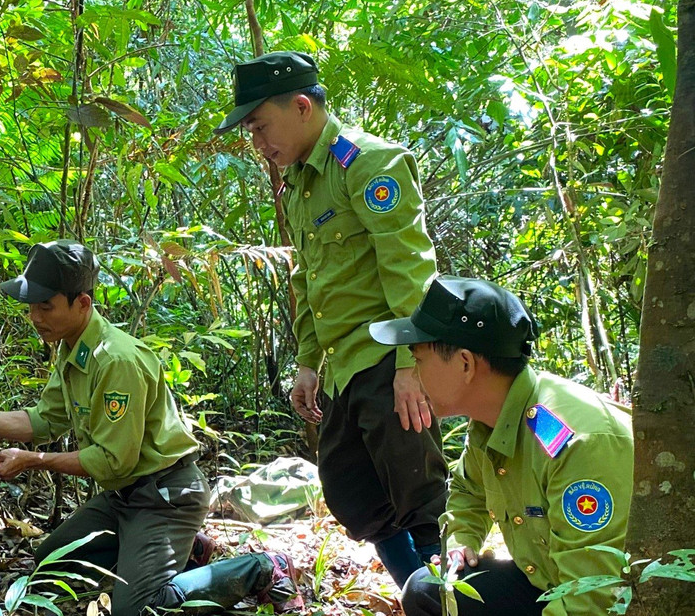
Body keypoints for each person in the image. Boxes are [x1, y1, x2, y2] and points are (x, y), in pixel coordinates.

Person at [0, 240, 300, 615]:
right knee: (51, 565)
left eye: (46, 306)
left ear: (82, 303)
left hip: (163, 496)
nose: (35, 317)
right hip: (125, 498)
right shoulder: (73, 347)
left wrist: (32, 460)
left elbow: (112, 461)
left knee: (139, 610)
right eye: (31, 307)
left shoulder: (115, 360)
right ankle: (187, 552)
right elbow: (43, 420)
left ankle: (261, 569)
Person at [214, 51, 449, 585]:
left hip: (388, 359)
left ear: (301, 106)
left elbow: (410, 267)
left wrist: (415, 364)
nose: (258, 144)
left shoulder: (367, 163)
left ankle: (449, 599)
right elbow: (309, 278)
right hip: (344, 366)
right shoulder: (298, 182)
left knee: (420, 497)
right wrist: (307, 361)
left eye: (260, 127)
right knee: (355, 497)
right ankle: (421, 593)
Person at [370, 276, 633, 615]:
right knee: (427, 590)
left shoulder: (576, 442)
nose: (414, 376)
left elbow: (594, 598)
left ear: (465, 364)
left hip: (600, 601)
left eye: (418, 360)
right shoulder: (491, 420)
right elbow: (468, 490)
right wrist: (462, 538)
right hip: (548, 585)